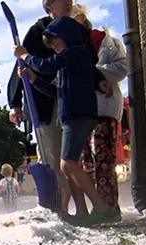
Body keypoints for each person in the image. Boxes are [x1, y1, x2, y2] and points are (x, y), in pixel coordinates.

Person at [7, 0, 111, 213]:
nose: (69, 2)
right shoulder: (38, 31)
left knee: (69, 161)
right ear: (49, 6)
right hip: (48, 104)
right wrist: (15, 102)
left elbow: (86, 64)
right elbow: (21, 65)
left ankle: (87, 208)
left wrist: (99, 80)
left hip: (73, 106)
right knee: (56, 159)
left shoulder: (77, 33)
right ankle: (68, 208)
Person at [72, 3, 128, 220]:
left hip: (104, 108)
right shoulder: (70, 47)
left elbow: (122, 68)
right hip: (81, 109)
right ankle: (99, 207)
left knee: (104, 159)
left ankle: (109, 208)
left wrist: (93, 73)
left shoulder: (107, 42)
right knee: (87, 161)